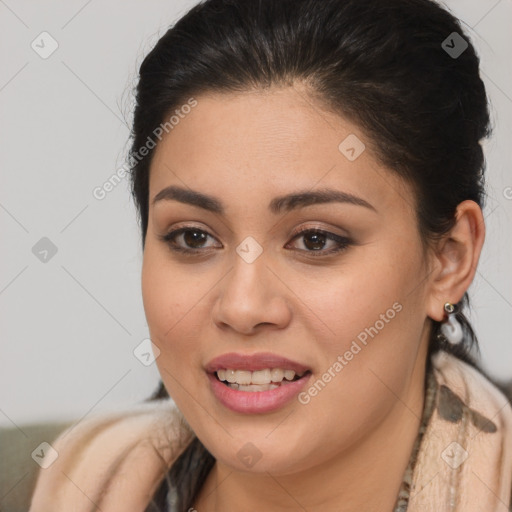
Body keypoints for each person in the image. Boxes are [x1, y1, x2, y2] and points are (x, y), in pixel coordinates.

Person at [29, 0, 512, 510]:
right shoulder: (68, 481)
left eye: (315, 240)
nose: (242, 307)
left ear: (448, 260)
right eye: (194, 237)